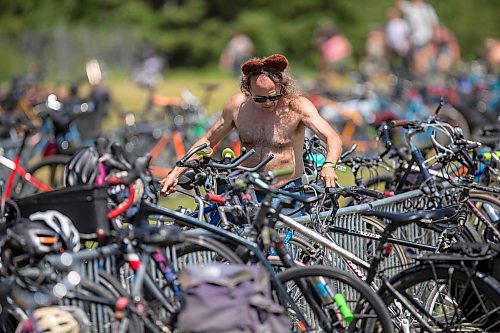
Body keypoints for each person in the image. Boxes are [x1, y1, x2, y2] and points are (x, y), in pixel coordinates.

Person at [161, 54, 343, 196]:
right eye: (260, 98)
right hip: (249, 190)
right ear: (247, 90)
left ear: (283, 87)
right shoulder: (237, 106)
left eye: (274, 96)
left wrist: (329, 165)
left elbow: (332, 137)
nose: (268, 103)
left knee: (287, 244)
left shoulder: (297, 106)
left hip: (289, 190)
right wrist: (175, 173)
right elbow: (207, 142)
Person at [396, 0, 439, 76]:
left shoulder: (427, 8)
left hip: (428, 39)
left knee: (426, 61)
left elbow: (434, 24)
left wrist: (434, 41)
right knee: (416, 61)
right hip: (415, 40)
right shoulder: (409, 7)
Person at [385, 7, 411, 74]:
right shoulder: (389, 24)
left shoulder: (403, 23)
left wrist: (405, 46)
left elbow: (407, 35)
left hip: (404, 47)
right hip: (393, 48)